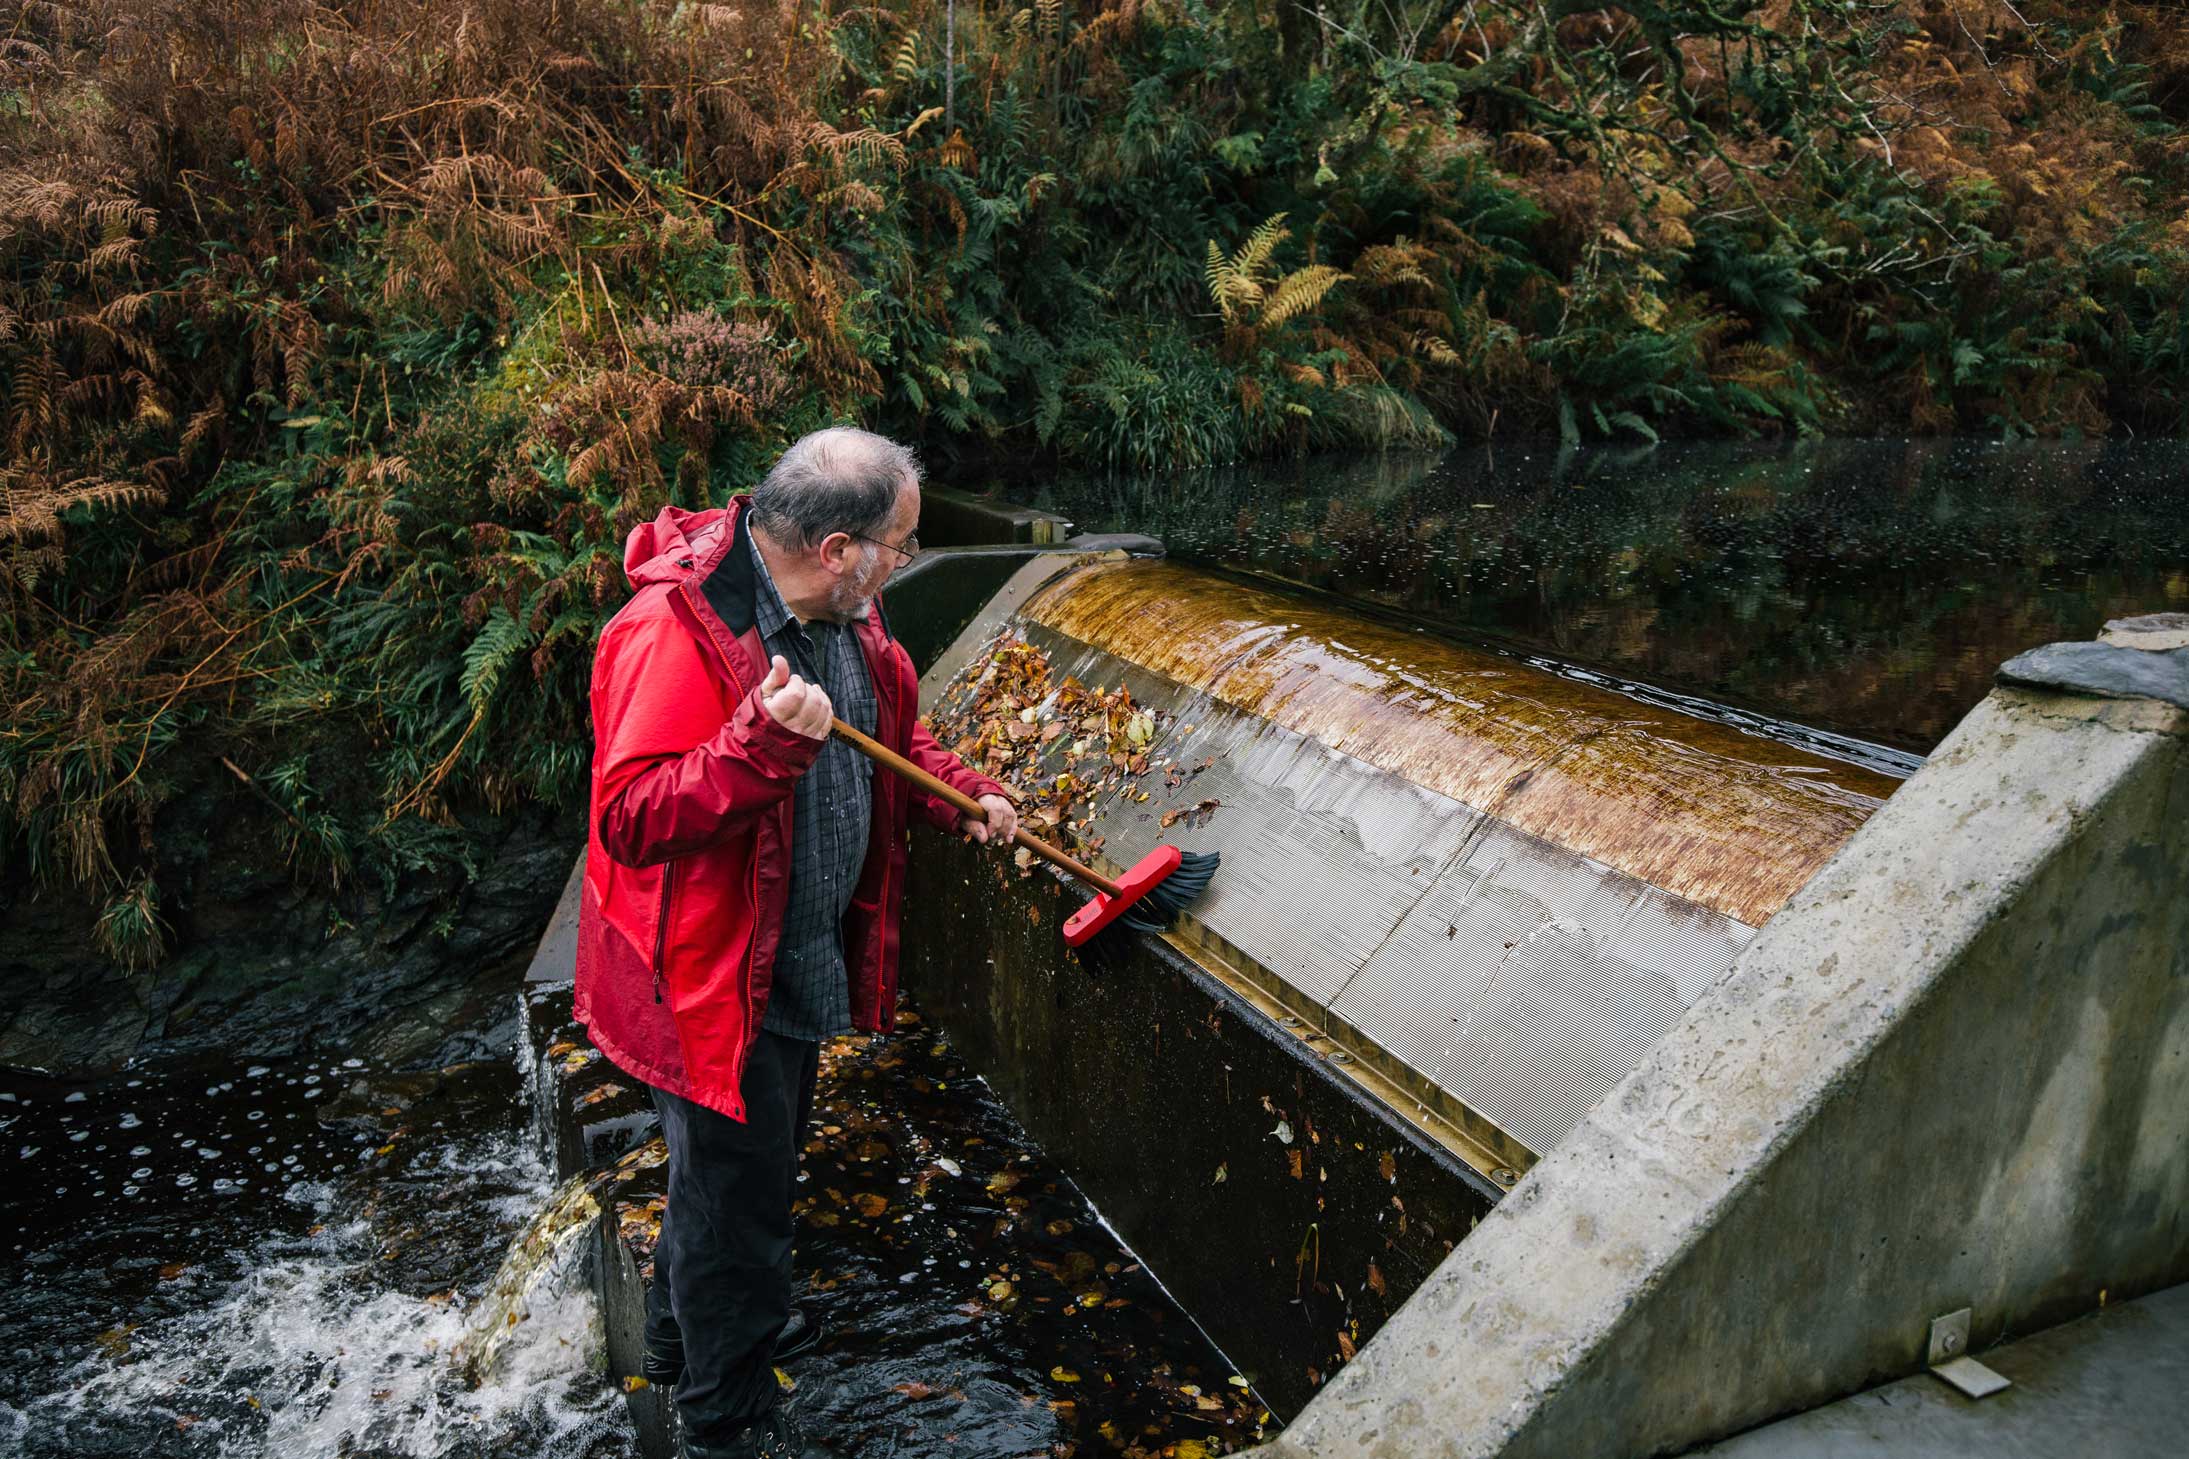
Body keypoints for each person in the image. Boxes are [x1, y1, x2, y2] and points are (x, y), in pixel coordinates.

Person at [573, 428, 1018, 1459]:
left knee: (733, 1180)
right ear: (836, 546)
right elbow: (631, 817)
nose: (902, 561)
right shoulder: (671, 632)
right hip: (709, 980)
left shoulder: (844, 615)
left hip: (791, 956)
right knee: (738, 1207)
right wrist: (759, 746)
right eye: (897, 543)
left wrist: (964, 797)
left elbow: (887, 732)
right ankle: (724, 1421)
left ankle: (688, 1339)